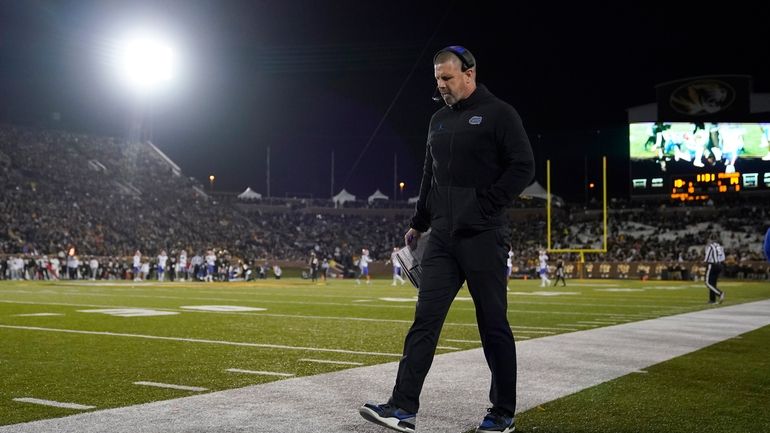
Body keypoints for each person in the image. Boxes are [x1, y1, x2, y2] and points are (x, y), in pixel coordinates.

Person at [359, 46, 534, 433]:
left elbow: (523, 166)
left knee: (492, 325)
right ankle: (402, 408)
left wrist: (486, 206)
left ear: (469, 74)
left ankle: (502, 412)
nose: (441, 85)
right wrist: (419, 222)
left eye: (447, 78)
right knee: (424, 321)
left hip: (484, 236)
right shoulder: (437, 119)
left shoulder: (500, 114)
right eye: (437, 79)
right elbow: (429, 174)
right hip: (441, 239)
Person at [704, 234, 725, 304]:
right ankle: (712, 300)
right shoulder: (720, 247)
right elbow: (723, 258)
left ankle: (719, 293)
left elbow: (707, 258)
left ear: (710, 239)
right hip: (719, 265)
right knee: (713, 283)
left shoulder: (711, 246)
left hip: (712, 265)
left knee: (707, 283)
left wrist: (705, 262)